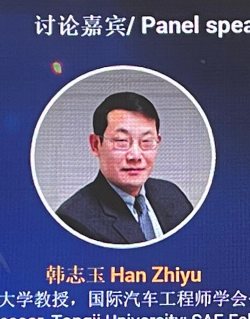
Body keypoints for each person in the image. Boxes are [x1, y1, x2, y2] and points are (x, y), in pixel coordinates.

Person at [55, 91, 194, 243]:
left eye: (146, 141)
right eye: (121, 141)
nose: (135, 155)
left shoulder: (172, 195)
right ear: (95, 145)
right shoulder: (75, 220)